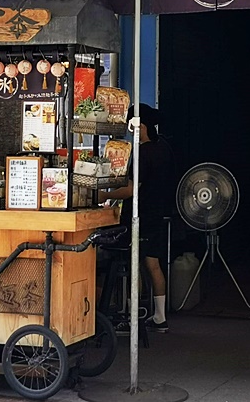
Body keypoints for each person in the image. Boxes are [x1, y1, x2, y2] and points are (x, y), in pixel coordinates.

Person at [107, 103, 175, 333]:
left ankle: (131, 315)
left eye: (133, 125)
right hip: (159, 212)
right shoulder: (164, 147)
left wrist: (103, 193)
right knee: (153, 264)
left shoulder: (143, 153)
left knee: (132, 262)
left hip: (140, 215)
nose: (130, 130)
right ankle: (160, 317)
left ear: (142, 126)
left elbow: (130, 190)